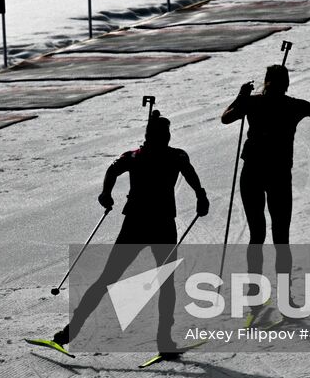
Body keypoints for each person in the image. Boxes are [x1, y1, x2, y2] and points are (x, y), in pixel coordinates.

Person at [50, 111, 208, 355]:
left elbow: (112, 170)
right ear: (164, 136)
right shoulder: (174, 156)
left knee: (108, 279)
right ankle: (164, 341)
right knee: (164, 283)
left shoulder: (135, 156)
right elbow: (190, 174)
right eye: (164, 135)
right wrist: (201, 195)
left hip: (136, 223)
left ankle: (69, 333)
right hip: (162, 224)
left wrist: (106, 194)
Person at [221, 66, 310, 314]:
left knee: (256, 236)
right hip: (279, 175)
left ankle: (254, 295)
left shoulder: (253, 102)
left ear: (266, 82)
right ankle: (285, 299)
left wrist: (240, 96)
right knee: (281, 238)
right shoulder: (294, 106)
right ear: (287, 84)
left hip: (252, 173)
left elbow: (226, 118)